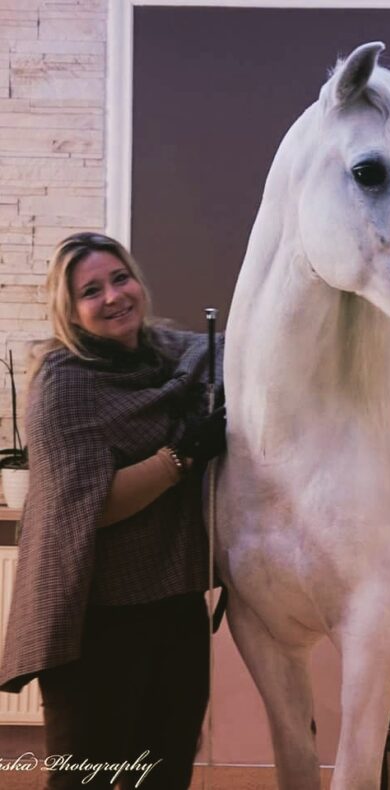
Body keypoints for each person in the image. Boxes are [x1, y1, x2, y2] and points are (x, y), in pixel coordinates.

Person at [0, 232, 226, 789]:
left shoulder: (175, 356)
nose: (113, 296)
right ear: (70, 310)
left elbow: (236, 348)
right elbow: (88, 508)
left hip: (175, 605)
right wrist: (181, 455)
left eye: (120, 278)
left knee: (164, 772)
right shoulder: (65, 384)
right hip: (95, 619)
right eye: (91, 291)